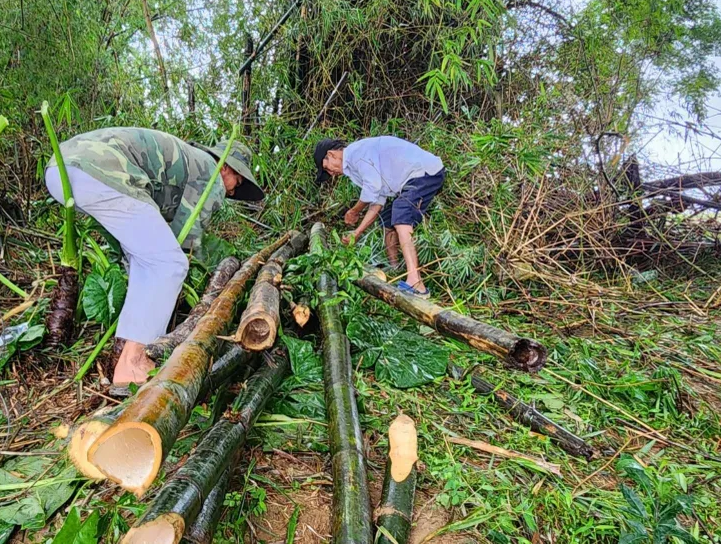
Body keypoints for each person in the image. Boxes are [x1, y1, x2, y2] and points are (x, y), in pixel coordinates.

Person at [45, 128, 264, 385]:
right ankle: (133, 363)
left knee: (146, 261)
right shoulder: (212, 173)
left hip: (63, 168)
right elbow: (186, 237)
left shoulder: (191, 159)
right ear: (226, 167)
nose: (232, 193)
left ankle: (125, 358)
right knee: (170, 264)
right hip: (100, 170)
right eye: (238, 183)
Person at [314, 135, 444, 296]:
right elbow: (377, 201)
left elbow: (371, 189)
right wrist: (357, 233)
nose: (331, 173)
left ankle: (416, 283)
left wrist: (354, 211)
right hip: (413, 178)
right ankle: (395, 269)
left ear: (331, 154)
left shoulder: (357, 153)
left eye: (327, 168)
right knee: (388, 219)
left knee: (401, 213)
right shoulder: (353, 168)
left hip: (425, 172)